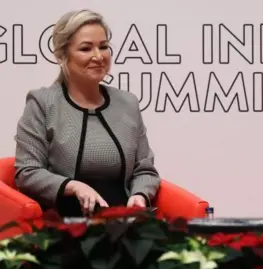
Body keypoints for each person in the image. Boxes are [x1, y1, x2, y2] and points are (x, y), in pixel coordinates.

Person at [14, 10, 161, 217]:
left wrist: (140, 195)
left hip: (124, 222)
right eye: (85, 48)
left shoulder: (127, 103)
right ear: (62, 56)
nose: (98, 56)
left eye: (104, 47)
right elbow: (27, 173)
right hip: (65, 221)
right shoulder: (42, 103)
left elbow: (144, 169)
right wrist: (74, 187)